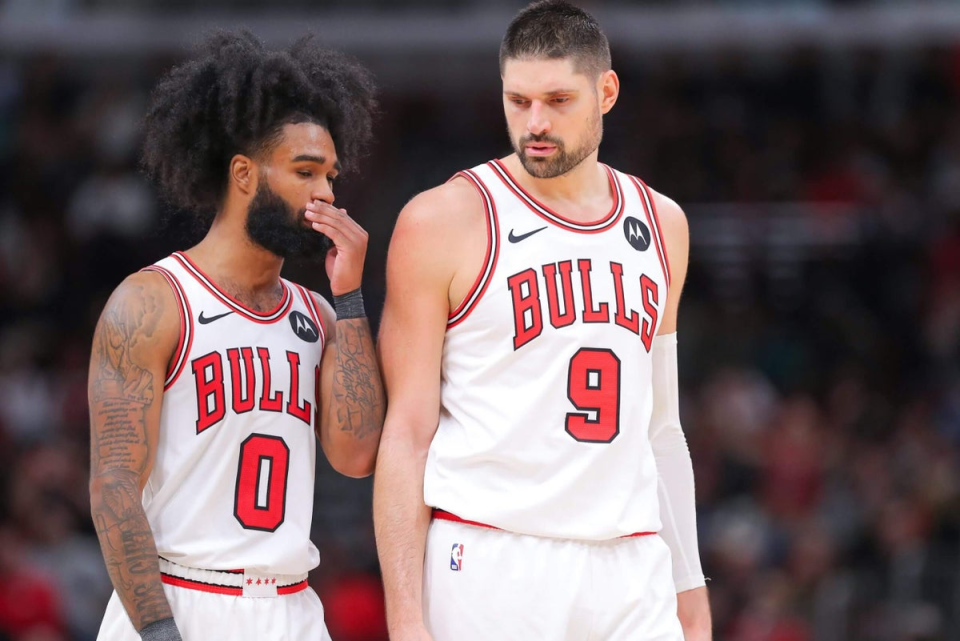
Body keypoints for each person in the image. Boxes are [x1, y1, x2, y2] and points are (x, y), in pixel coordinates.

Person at [373, 2, 711, 640]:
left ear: (606, 92)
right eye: (518, 101)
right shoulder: (443, 219)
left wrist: (689, 590)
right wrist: (406, 618)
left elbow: (662, 429)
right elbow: (407, 434)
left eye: (558, 100)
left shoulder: (663, 223)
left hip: (631, 565)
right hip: (493, 558)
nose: (535, 123)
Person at [88, 31, 384, 641]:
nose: (326, 193)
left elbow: (356, 458)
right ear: (244, 173)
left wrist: (350, 298)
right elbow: (114, 488)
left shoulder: (319, 317)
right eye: (305, 171)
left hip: (291, 608)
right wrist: (160, 632)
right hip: (180, 597)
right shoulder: (153, 301)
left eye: (331, 176)